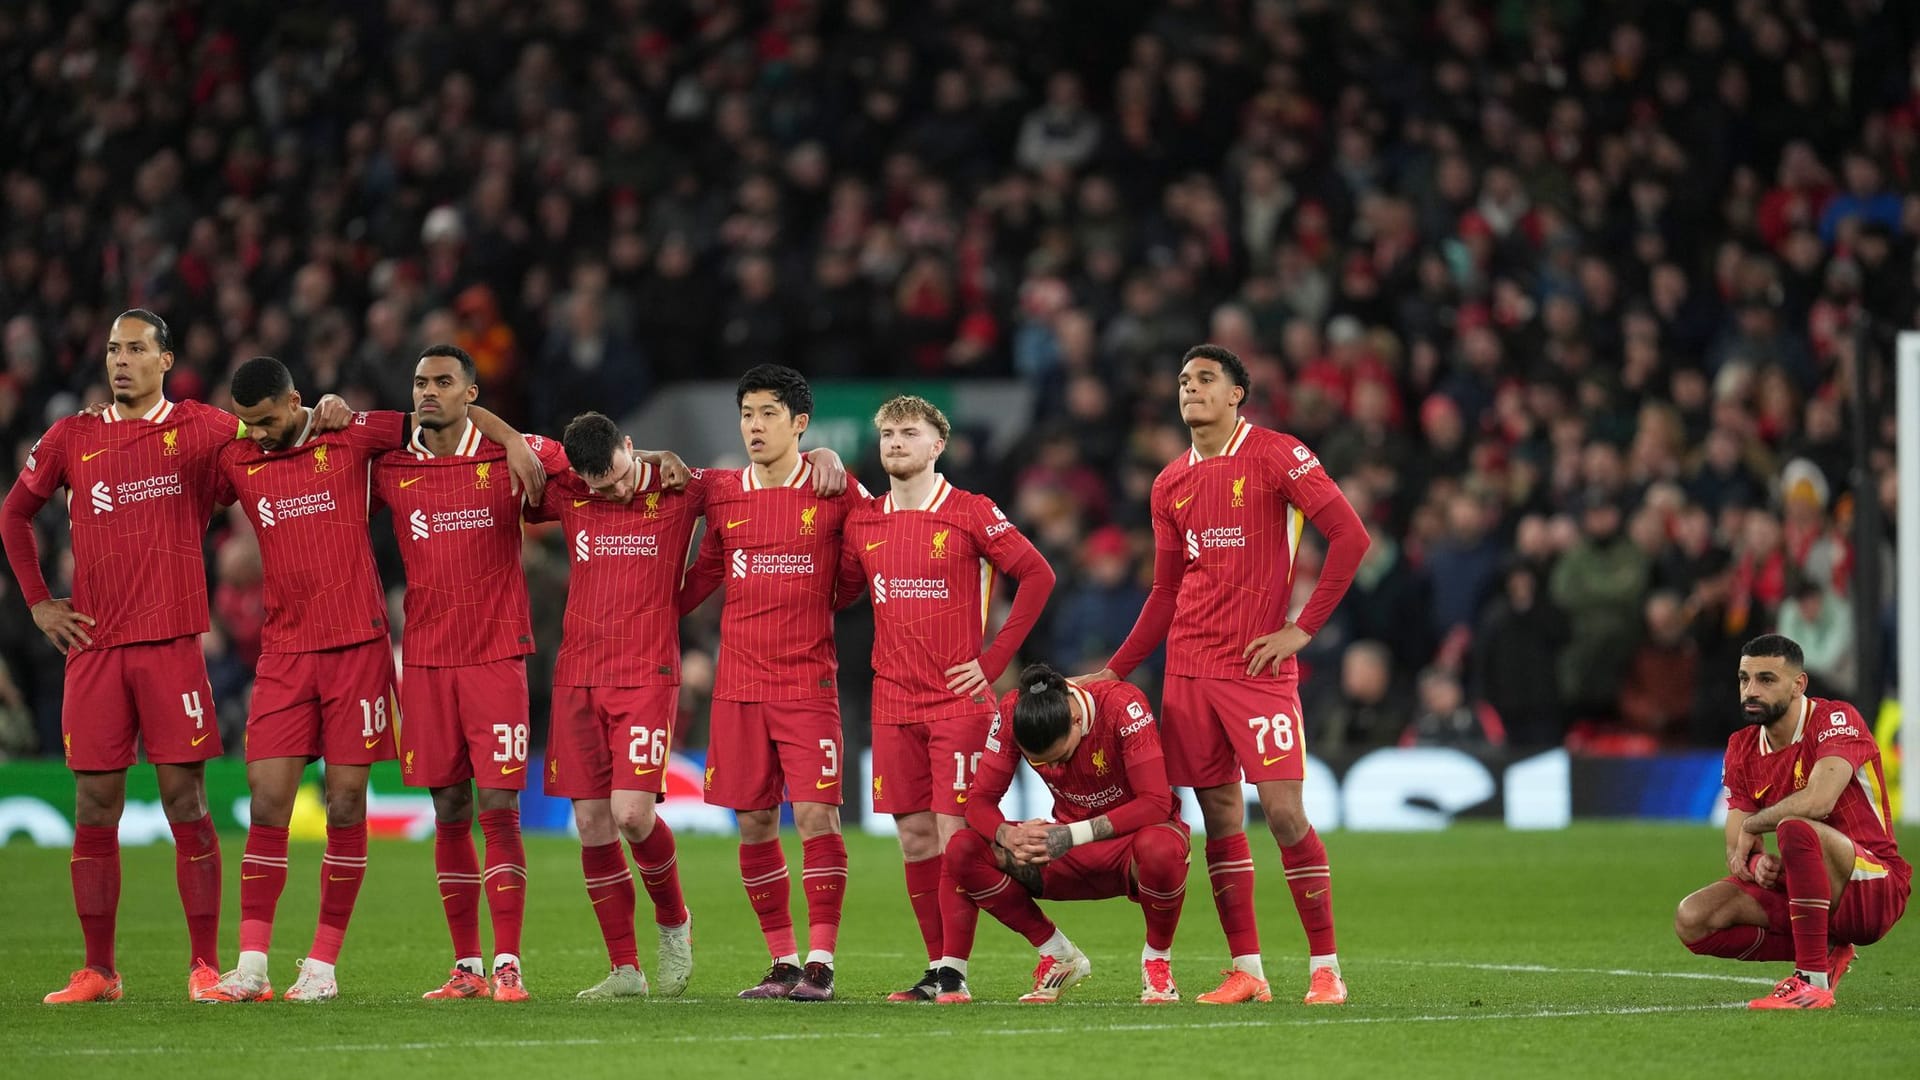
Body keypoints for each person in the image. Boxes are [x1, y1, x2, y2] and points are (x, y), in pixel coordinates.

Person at [0, 311, 341, 1004]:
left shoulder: (203, 428)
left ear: (165, 360)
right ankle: (99, 970)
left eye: (135, 349)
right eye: (112, 350)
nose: (120, 361)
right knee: (95, 805)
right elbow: (13, 514)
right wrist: (39, 603)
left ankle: (204, 966)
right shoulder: (73, 437)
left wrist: (324, 415)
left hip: (171, 645)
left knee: (185, 801)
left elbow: (277, 438)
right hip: (93, 645)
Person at [199, 356, 542, 1004]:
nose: (261, 435)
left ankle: (323, 967)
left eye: (270, 421)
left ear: (295, 399)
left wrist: (514, 439)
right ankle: (250, 966)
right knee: (267, 800)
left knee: (347, 803)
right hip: (284, 653)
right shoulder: (236, 457)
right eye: (249, 425)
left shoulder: (352, 435)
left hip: (357, 647)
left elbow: (443, 417)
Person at [1083, 344, 1371, 1006]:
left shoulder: (1277, 454)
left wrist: (1303, 629)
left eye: (1206, 379)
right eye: (1183, 380)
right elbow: (1163, 594)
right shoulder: (1169, 483)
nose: (1191, 389)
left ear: (1238, 393)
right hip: (1187, 670)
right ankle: (1248, 969)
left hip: (1257, 668)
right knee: (1218, 816)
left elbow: (1350, 537)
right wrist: (1116, 671)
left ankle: (1325, 968)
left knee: (1285, 814)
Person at [835, 395, 1057, 1004]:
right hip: (892, 701)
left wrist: (991, 663)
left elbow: (1039, 575)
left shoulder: (971, 511)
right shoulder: (864, 522)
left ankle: (958, 972)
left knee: (957, 839)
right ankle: (944, 966)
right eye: (887, 435)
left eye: (910, 433)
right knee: (915, 839)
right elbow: (839, 592)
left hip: (958, 703)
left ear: (938, 446)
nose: (896, 443)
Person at [372, 344, 568, 1002]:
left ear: (471, 393)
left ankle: (509, 962)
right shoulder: (390, 467)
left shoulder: (505, 460)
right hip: (424, 660)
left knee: (498, 806)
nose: (428, 391)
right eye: (420, 381)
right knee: (447, 808)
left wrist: (512, 438)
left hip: (493, 656)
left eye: (443, 382)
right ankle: (467, 967)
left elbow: (586, 461)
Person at [677, 364, 866, 1002]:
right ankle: (782, 961)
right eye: (747, 415)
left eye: (768, 414)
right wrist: (646, 612)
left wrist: (822, 602)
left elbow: (866, 563)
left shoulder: (836, 487)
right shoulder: (724, 492)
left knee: (818, 816)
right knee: (755, 823)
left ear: (800, 424)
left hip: (806, 683)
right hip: (738, 686)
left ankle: (821, 963)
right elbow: (702, 574)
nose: (754, 427)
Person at [529, 411, 705, 1000]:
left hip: (645, 674)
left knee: (631, 814)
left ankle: (674, 920)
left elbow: (743, 480)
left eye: (623, 475)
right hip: (578, 674)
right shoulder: (570, 493)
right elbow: (519, 462)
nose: (616, 490)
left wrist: (827, 460)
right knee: (591, 825)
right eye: (601, 486)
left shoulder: (678, 489)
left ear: (632, 446)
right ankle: (624, 969)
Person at [1673, 634, 1909, 1009]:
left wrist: (1755, 826)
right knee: (1693, 917)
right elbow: (1736, 849)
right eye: (1744, 678)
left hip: (1872, 885)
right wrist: (1756, 863)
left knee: (1795, 828)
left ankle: (1812, 980)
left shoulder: (1835, 719)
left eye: (1766, 679)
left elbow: (1817, 801)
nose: (1751, 690)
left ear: (1799, 685)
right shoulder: (1741, 746)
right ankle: (1828, 950)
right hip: (1805, 890)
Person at [941, 663, 1189, 1004]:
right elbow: (979, 803)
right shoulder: (1014, 711)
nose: (1056, 770)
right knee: (963, 848)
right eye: (1043, 764)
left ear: (1076, 720)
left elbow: (1156, 803)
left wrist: (1072, 834)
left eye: (1062, 756)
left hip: (1130, 849)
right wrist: (1005, 835)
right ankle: (1057, 953)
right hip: (1066, 850)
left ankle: (1157, 963)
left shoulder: (1122, 705)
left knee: (1161, 847)